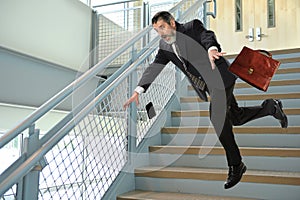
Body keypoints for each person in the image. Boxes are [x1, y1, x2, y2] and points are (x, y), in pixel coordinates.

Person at [123, 11, 288, 189]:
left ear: (172, 22)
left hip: (220, 76)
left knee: (217, 118)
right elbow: (154, 68)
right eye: (157, 30)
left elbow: (207, 36)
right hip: (208, 86)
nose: (161, 33)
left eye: (162, 27)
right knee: (236, 117)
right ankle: (270, 107)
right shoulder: (165, 47)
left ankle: (236, 164)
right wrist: (138, 90)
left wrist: (212, 49)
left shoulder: (192, 27)